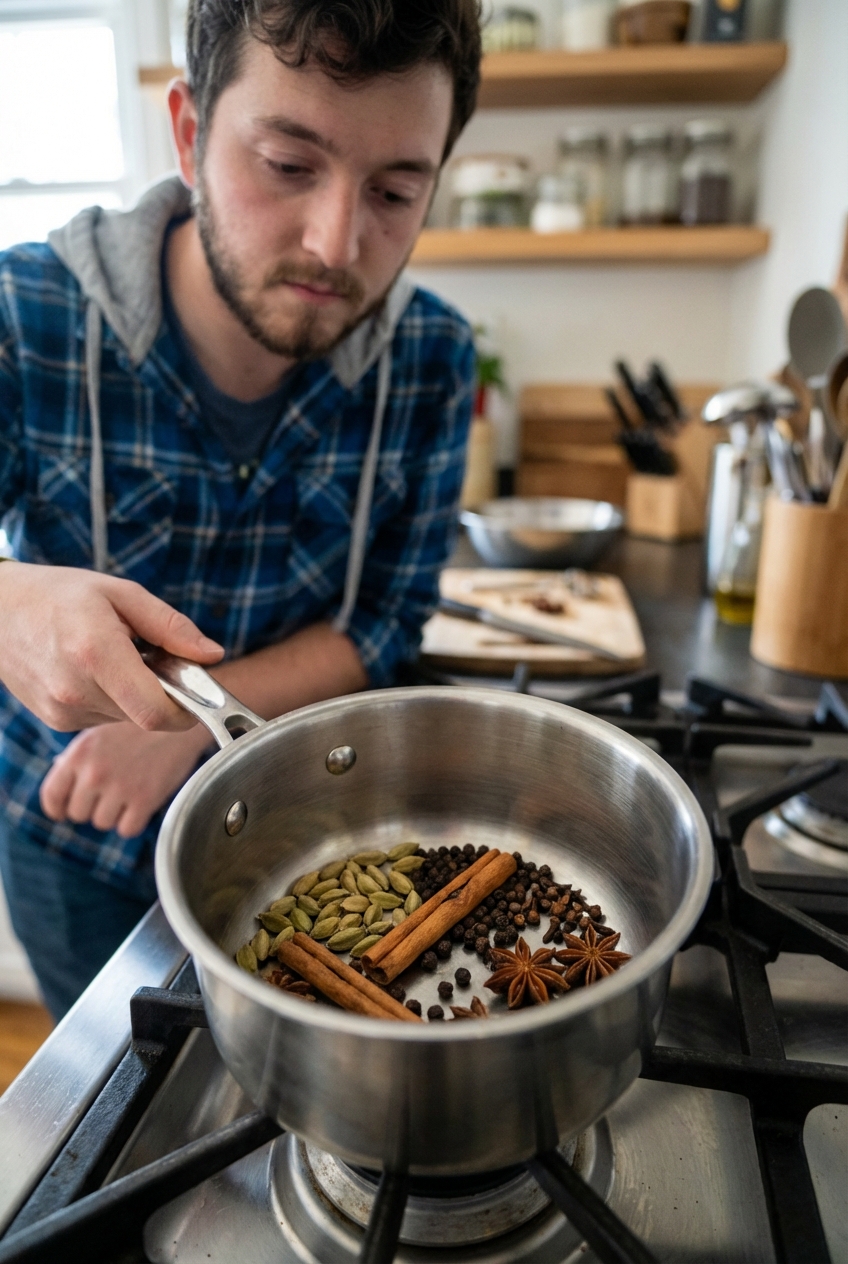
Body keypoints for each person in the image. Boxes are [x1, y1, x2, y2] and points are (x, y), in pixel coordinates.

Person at [0, 0, 481, 1019]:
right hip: (72, 836)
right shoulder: (24, 317)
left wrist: (182, 721)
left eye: (395, 190)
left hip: (305, 826)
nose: (337, 243)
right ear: (187, 133)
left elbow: (383, 622)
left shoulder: (431, 360)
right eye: (287, 165)